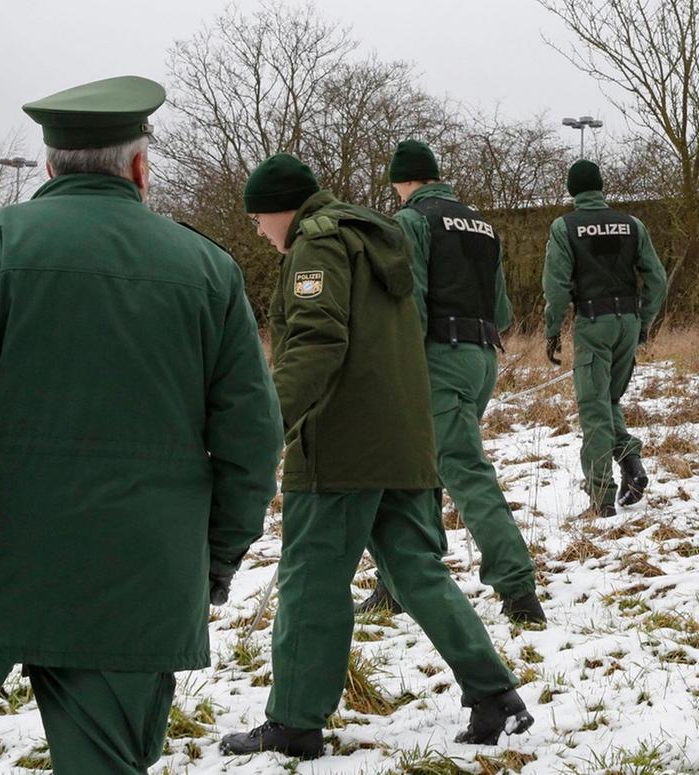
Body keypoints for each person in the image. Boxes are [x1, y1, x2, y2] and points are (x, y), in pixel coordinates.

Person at [0, 75, 284, 774]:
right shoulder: (210, 271)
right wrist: (215, 559)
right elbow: (251, 441)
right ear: (139, 166)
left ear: (50, 166)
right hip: (134, 576)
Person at [220, 154, 531, 760]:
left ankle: (294, 723)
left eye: (260, 220)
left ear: (282, 209)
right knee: (416, 570)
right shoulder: (378, 240)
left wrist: (266, 425)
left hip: (341, 445)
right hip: (403, 436)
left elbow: (316, 340)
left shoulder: (317, 246)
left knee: (311, 580)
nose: (260, 233)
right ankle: (494, 695)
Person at [353, 140, 544, 626]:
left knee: (460, 468)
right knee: (420, 466)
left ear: (403, 181)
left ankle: (517, 586)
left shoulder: (411, 222)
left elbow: (410, 300)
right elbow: (502, 311)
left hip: (437, 358)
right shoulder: (482, 224)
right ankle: (397, 583)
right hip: (481, 358)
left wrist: (401, 363)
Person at [541, 160, 668, 518]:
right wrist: (643, 321)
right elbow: (656, 279)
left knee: (594, 410)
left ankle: (600, 499)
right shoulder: (633, 225)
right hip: (628, 319)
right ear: (601, 187)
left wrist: (552, 330)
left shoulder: (564, 226)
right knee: (609, 400)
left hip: (593, 322)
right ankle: (631, 462)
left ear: (572, 190)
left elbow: (556, 287)